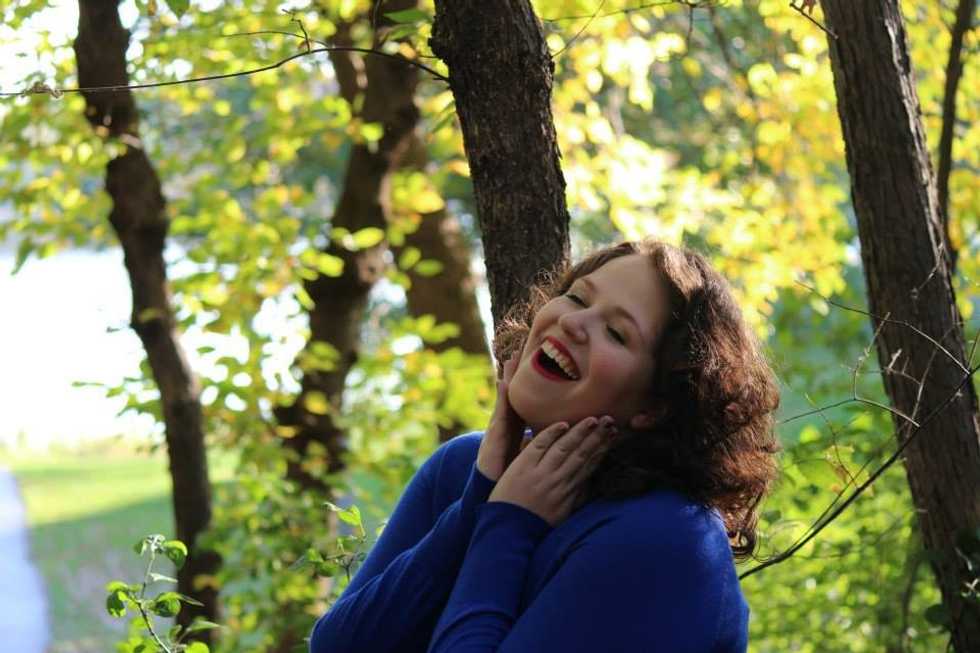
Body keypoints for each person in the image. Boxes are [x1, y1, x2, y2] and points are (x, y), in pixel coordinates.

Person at [308, 239, 780, 653]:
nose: (574, 322)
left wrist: (508, 525)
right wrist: (479, 498)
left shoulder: (667, 537)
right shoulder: (462, 467)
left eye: (617, 333)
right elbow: (338, 646)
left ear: (656, 404)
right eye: (577, 298)